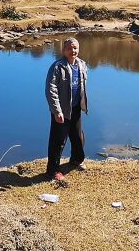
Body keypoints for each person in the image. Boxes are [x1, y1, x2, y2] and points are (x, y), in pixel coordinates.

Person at [45, 38, 89, 181]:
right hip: (62, 111)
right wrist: (57, 111)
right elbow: (50, 90)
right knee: (58, 141)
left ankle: (76, 160)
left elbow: (82, 86)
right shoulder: (57, 67)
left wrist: (83, 104)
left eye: (75, 48)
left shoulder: (82, 64)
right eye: (70, 48)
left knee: (77, 136)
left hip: (76, 108)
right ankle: (53, 170)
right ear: (64, 50)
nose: (73, 51)